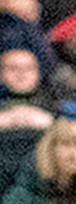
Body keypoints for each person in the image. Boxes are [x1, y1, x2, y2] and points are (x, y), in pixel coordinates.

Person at [0, 48, 58, 191]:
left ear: (38, 73)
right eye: (13, 68)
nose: (21, 74)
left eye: (28, 68)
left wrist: (48, 122)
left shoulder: (54, 102)